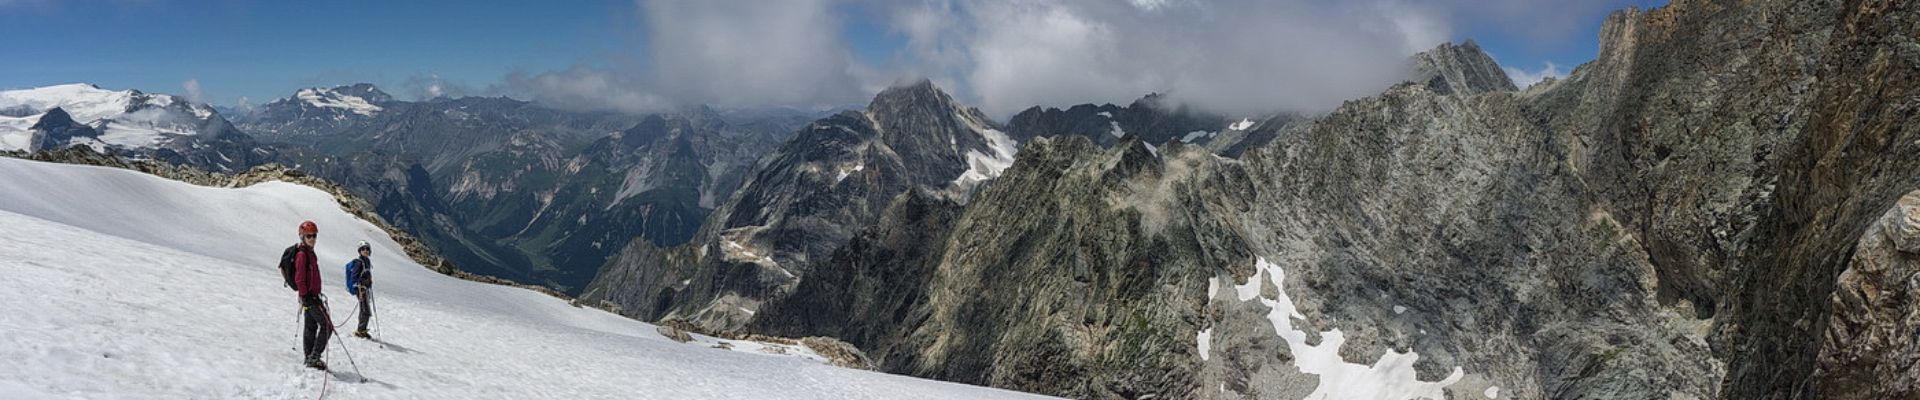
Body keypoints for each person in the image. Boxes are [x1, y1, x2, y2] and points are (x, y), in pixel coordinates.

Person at [292, 220, 332, 370]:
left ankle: (309, 357)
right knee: (327, 326)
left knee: (311, 327)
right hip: (310, 298)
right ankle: (314, 357)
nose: (313, 239)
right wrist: (306, 296)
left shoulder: (309, 253)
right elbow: (299, 278)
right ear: (302, 236)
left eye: (314, 235)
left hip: (311, 296)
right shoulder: (303, 255)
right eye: (309, 236)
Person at [345, 241, 373, 339]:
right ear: (359, 251)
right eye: (363, 249)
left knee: (365, 309)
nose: (365, 251)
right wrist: (361, 284)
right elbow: (354, 277)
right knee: (365, 310)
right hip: (361, 289)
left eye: (367, 249)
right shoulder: (359, 262)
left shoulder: (366, 261)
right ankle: (361, 331)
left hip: (364, 289)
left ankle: (362, 330)